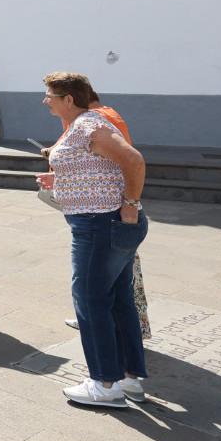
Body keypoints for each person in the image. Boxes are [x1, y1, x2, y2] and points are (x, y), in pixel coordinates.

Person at [38, 72, 149, 409]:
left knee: (88, 299)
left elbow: (133, 160)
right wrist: (60, 179)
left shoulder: (88, 125)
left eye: (50, 96)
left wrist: (129, 207)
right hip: (101, 223)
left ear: (68, 99)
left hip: (100, 225)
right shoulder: (83, 126)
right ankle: (128, 377)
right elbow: (97, 166)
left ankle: (105, 383)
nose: (46, 101)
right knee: (117, 299)